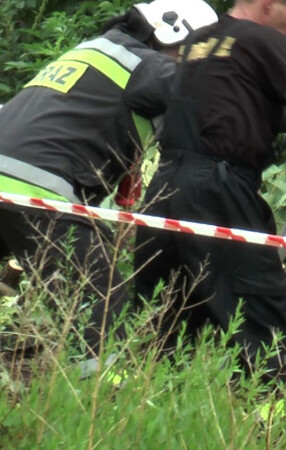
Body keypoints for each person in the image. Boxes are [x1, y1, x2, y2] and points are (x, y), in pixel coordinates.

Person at [132, 0, 286, 382]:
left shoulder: (204, 41)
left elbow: (284, 67)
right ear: (268, 4)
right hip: (220, 194)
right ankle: (269, 423)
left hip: (164, 190)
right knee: (259, 315)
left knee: (168, 319)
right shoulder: (263, 40)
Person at [0, 0, 218, 372]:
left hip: (10, 181)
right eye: (195, 52)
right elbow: (212, 95)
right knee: (99, 296)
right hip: (37, 189)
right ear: (174, 34)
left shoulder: (96, 49)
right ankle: (97, 396)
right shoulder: (150, 67)